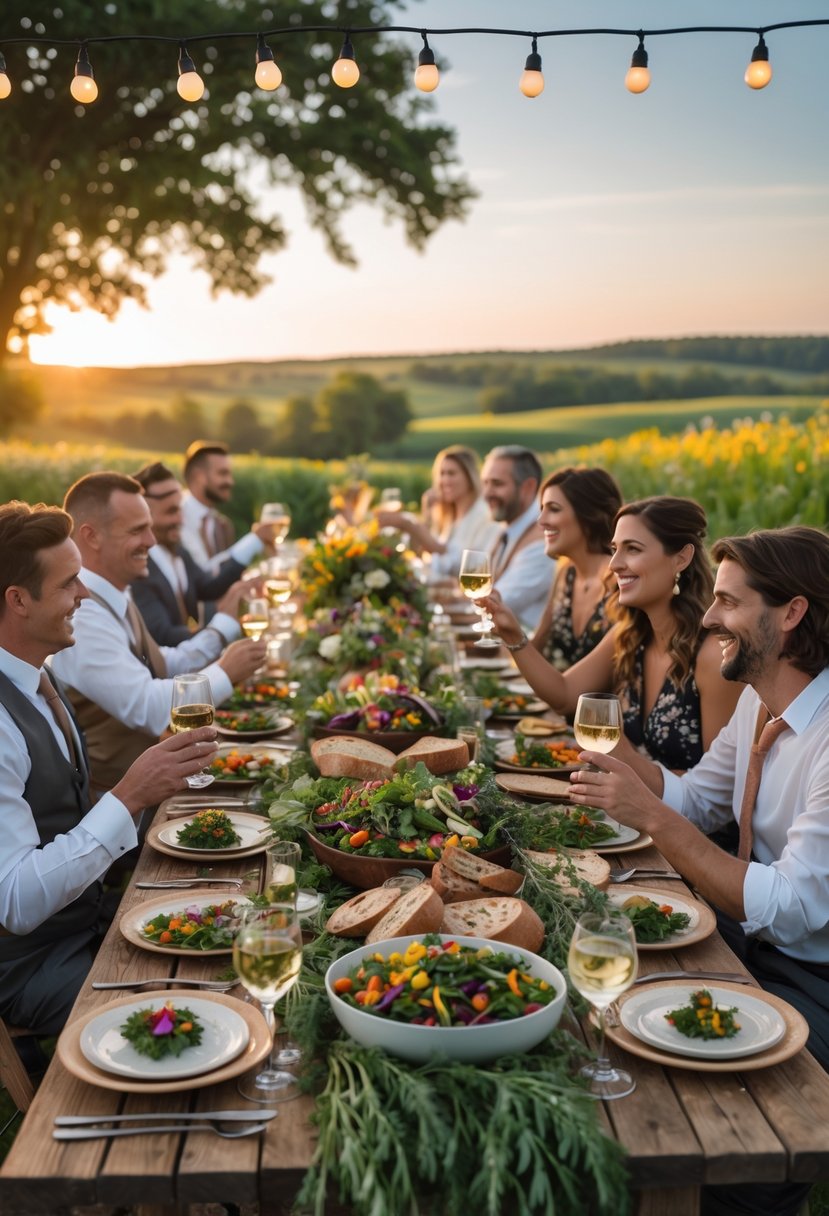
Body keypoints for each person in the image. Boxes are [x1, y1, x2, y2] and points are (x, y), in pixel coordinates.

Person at [569, 526, 829, 1216]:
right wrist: (620, 760)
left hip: (814, 976)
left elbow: (794, 905)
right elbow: (692, 797)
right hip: (751, 950)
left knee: (722, 1139)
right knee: (595, 1014)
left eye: (728, 602)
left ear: (791, 613)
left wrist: (651, 819)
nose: (707, 616)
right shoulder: (758, 700)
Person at [0, 500, 218, 1035]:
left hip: (90, 919)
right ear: (18, 600)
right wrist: (129, 796)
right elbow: (17, 900)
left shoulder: (37, 676)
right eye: (69, 583)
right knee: (194, 1013)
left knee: (226, 925)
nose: (85, 595)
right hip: (30, 965)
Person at [481, 496, 741, 776]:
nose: (615, 564)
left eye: (632, 549)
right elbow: (565, 695)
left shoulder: (713, 654)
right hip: (622, 809)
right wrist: (513, 635)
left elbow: (717, 790)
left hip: (675, 818)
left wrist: (624, 760)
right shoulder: (631, 635)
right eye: (615, 549)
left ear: (681, 558)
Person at [50, 472, 266, 794]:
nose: (151, 541)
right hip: (118, 807)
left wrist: (222, 630)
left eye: (150, 527)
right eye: (138, 530)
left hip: (158, 787)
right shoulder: (83, 616)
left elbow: (163, 663)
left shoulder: (116, 595)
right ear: (91, 536)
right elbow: (148, 707)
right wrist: (224, 672)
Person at [131, 461, 249, 646]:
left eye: (180, 509)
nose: (181, 519)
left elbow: (208, 586)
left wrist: (241, 585)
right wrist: (227, 627)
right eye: (171, 511)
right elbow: (163, 635)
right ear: (144, 515)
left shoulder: (178, 550)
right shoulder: (138, 568)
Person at [530, 466, 622, 670]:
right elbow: (536, 647)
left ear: (588, 515)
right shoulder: (565, 573)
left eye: (553, 509)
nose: (541, 521)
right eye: (541, 509)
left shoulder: (619, 580)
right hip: (551, 699)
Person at [374, 445, 500, 582]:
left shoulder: (483, 515)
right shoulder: (449, 515)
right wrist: (426, 516)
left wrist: (411, 526)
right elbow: (421, 555)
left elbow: (462, 566)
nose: (444, 481)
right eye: (442, 473)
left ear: (470, 477)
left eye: (451, 473)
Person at [479, 445, 552, 632]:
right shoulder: (503, 527)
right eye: (485, 483)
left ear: (528, 487)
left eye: (497, 484)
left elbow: (495, 605)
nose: (486, 493)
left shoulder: (543, 541)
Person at [180, 439, 267, 575]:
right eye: (223, 473)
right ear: (199, 476)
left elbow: (224, 578)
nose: (230, 481)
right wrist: (255, 540)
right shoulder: (177, 518)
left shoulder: (222, 524)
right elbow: (204, 575)